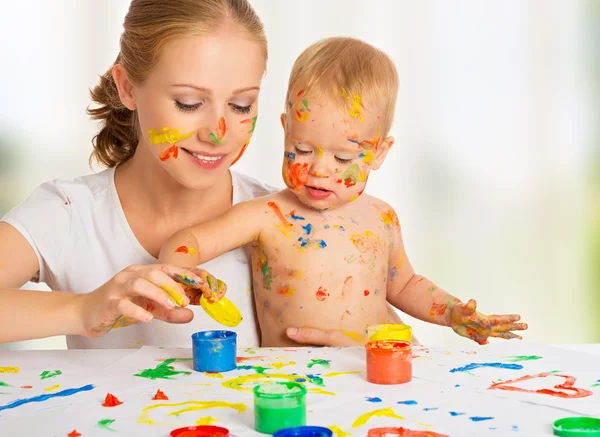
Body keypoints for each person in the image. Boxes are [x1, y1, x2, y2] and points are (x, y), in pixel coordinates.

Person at [0, 0, 404, 348]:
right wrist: (83, 309)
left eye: (242, 105)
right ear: (127, 88)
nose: (218, 132)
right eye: (189, 103)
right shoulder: (71, 213)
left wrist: (362, 348)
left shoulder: (294, 219)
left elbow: (411, 357)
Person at [159, 36, 528, 346]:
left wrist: (451, 312)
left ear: (378, 153)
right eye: (303, 150)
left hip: (371, 374)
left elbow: (406, 285)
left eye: (343, 157)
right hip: (294, 382)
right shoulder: (267, 215)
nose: (320, 169)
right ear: (286, 131)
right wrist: (183, 272)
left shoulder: (381, 218)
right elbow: (186, 241)